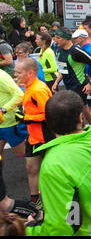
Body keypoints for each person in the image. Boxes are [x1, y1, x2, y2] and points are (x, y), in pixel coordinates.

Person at [25, 90, 91, 236]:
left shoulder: (53, 164)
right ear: (81, 118)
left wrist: (30, 230)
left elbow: (61, 228)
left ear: (48, 123)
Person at [13, 58, 54, 210]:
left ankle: (53, 201)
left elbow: (49, 114)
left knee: (49, 171)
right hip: (33, 137)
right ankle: (35, 201)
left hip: (45, 138)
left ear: (30, 73)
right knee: (31, 168)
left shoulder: (38, 89)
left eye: (18, 72)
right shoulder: (29, 87)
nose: (15, 74)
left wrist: (25, 118)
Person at [51, 27, 91, 131]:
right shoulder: (59, 50)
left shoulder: (76, 51)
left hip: (79, 87)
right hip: (69, 87)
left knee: (84, 111)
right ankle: (84, 132)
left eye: (58, 38)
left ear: (66, 39)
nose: (55, 41)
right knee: (80, 113)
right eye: (55, 38)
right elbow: (64, 69)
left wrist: (90, 83)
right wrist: (56, 82)